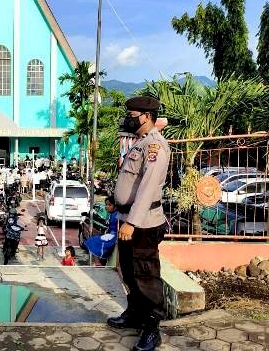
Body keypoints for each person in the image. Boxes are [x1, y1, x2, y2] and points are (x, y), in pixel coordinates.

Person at [107, 96, 170, 351]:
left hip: (142, 224)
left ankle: (152, 328)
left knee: (146, 275)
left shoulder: (156, 146)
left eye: (132, 115)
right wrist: (117, 203)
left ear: (146, 116)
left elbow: (146, 189)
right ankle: (134, 313)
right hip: (128, 218)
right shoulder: (142, 143)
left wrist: (131, 222)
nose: (128, 119)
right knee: (130, 272)